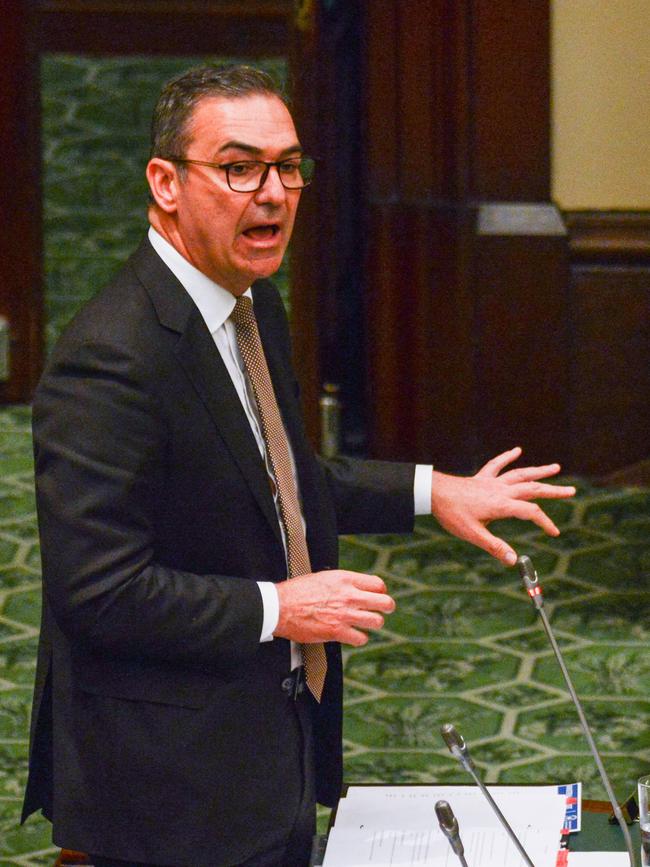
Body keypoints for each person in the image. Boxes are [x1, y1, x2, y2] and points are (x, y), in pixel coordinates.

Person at [22, 64, 575, 867]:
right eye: (240, 168)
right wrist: (278, 607)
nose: (274, 194)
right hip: (165, 793)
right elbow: (99, 593)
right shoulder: (111, 359)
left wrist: (433, 490)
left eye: (288, 167)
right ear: (165, 183)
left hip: (264, 754)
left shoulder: (249, 303)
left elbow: (271, 481)